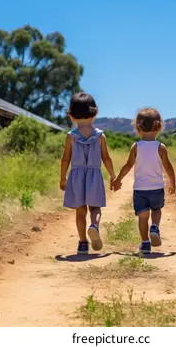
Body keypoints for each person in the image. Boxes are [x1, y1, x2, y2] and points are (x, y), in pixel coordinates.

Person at [111, 107, 176, 254]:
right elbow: (168, 167)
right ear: (159, 127)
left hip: (140, 189)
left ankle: (145, 243)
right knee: (157, 210)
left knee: (142, 216)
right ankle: (155, 227)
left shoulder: (136, 147)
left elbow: (128, 166)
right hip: (157, 188)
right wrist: (172, 182)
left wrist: (118, 180)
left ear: (138, 128)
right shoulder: (161, 147)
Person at [60, 92, 116, 255]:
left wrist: (63, 178)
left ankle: (83, 243)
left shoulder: (70, 137)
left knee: (80, 211)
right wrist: (113, 177)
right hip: (94, 176)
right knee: (95, 207)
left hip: (76, 177)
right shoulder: (100, 136)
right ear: (95, 113)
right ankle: (94, 226)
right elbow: (106, 158)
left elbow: (65, 159)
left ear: (71, 116)